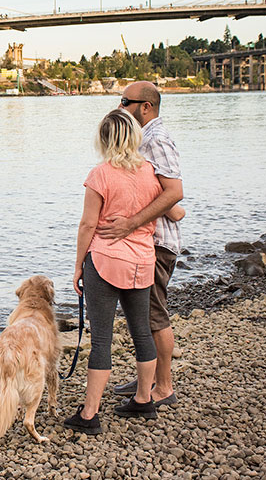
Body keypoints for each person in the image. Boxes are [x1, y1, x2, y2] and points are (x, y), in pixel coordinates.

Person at [63, 109, 181, 434]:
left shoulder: (100, 174)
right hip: (143, 261)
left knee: (101, 338)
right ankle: (144, 400)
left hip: (105, 261)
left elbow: (88, 224)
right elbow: (175, 209)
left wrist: (77, 267)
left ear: (104, 139)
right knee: (141, 331)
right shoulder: (151, 174)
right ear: (134, 137)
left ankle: (89, 414)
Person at [98, 81, 183, 408]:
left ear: (145, 106)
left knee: (154, 315)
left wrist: (131, 223)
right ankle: (147, 378)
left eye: (125, 102)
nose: (120, 107)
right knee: (142, 315)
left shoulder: (156, 141)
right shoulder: (144, 140)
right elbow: (163, 195)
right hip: (147, 241)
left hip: (156, 243)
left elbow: (174, 192)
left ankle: (163, 387)